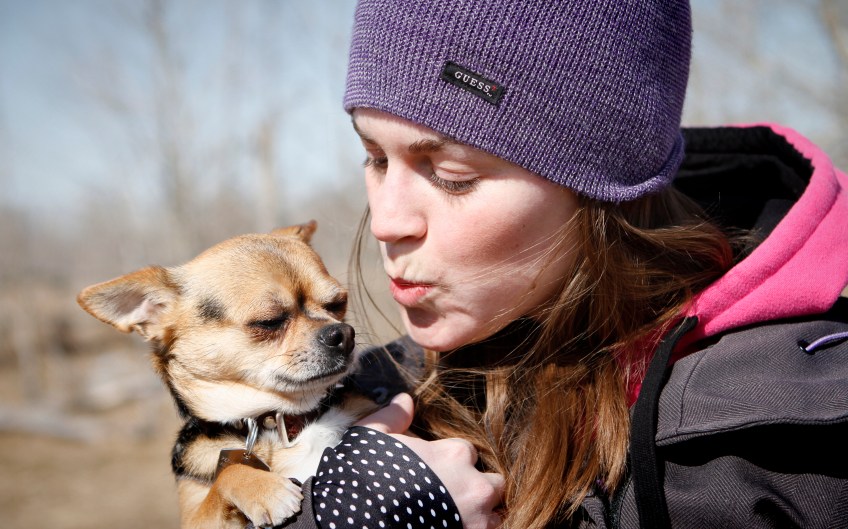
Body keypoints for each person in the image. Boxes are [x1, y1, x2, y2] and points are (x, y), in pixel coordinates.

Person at [282, 0, 848, 528]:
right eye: (375, 157)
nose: (385, 221)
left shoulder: (798, 436)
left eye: (452, 175)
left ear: (596, 186)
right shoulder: (362, 397)